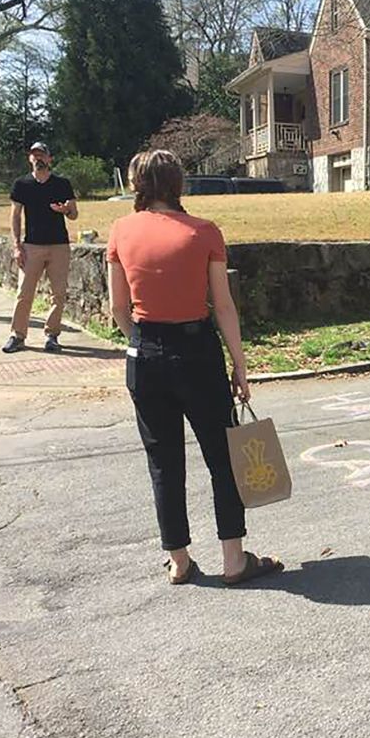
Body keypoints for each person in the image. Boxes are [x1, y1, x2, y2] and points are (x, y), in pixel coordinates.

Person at [107, 149, 282, 586]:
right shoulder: (204, 232)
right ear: (178, 183)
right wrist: (239, 365)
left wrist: (143, 340)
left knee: (164, 462)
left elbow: (117, 307)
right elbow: (223, 305)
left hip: (145, 353)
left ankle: (180, 559)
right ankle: (234, 559)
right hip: (197, 352)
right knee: (222, 457)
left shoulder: (121, 231)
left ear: (137, 185)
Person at [4, 142, 78, 354]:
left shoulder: (62, 184)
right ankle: (17, 336)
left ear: (49, 159)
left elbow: (74, 214)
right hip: (32, 246)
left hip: (59, 246)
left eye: (42, 156)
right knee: (24, 293)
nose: (38, 159)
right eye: (34, 156)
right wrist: (17, 245)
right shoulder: (22, 184)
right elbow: (15, 216)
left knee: (59, 294)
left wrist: (66, 210)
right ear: (30, 159)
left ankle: (52, 335)